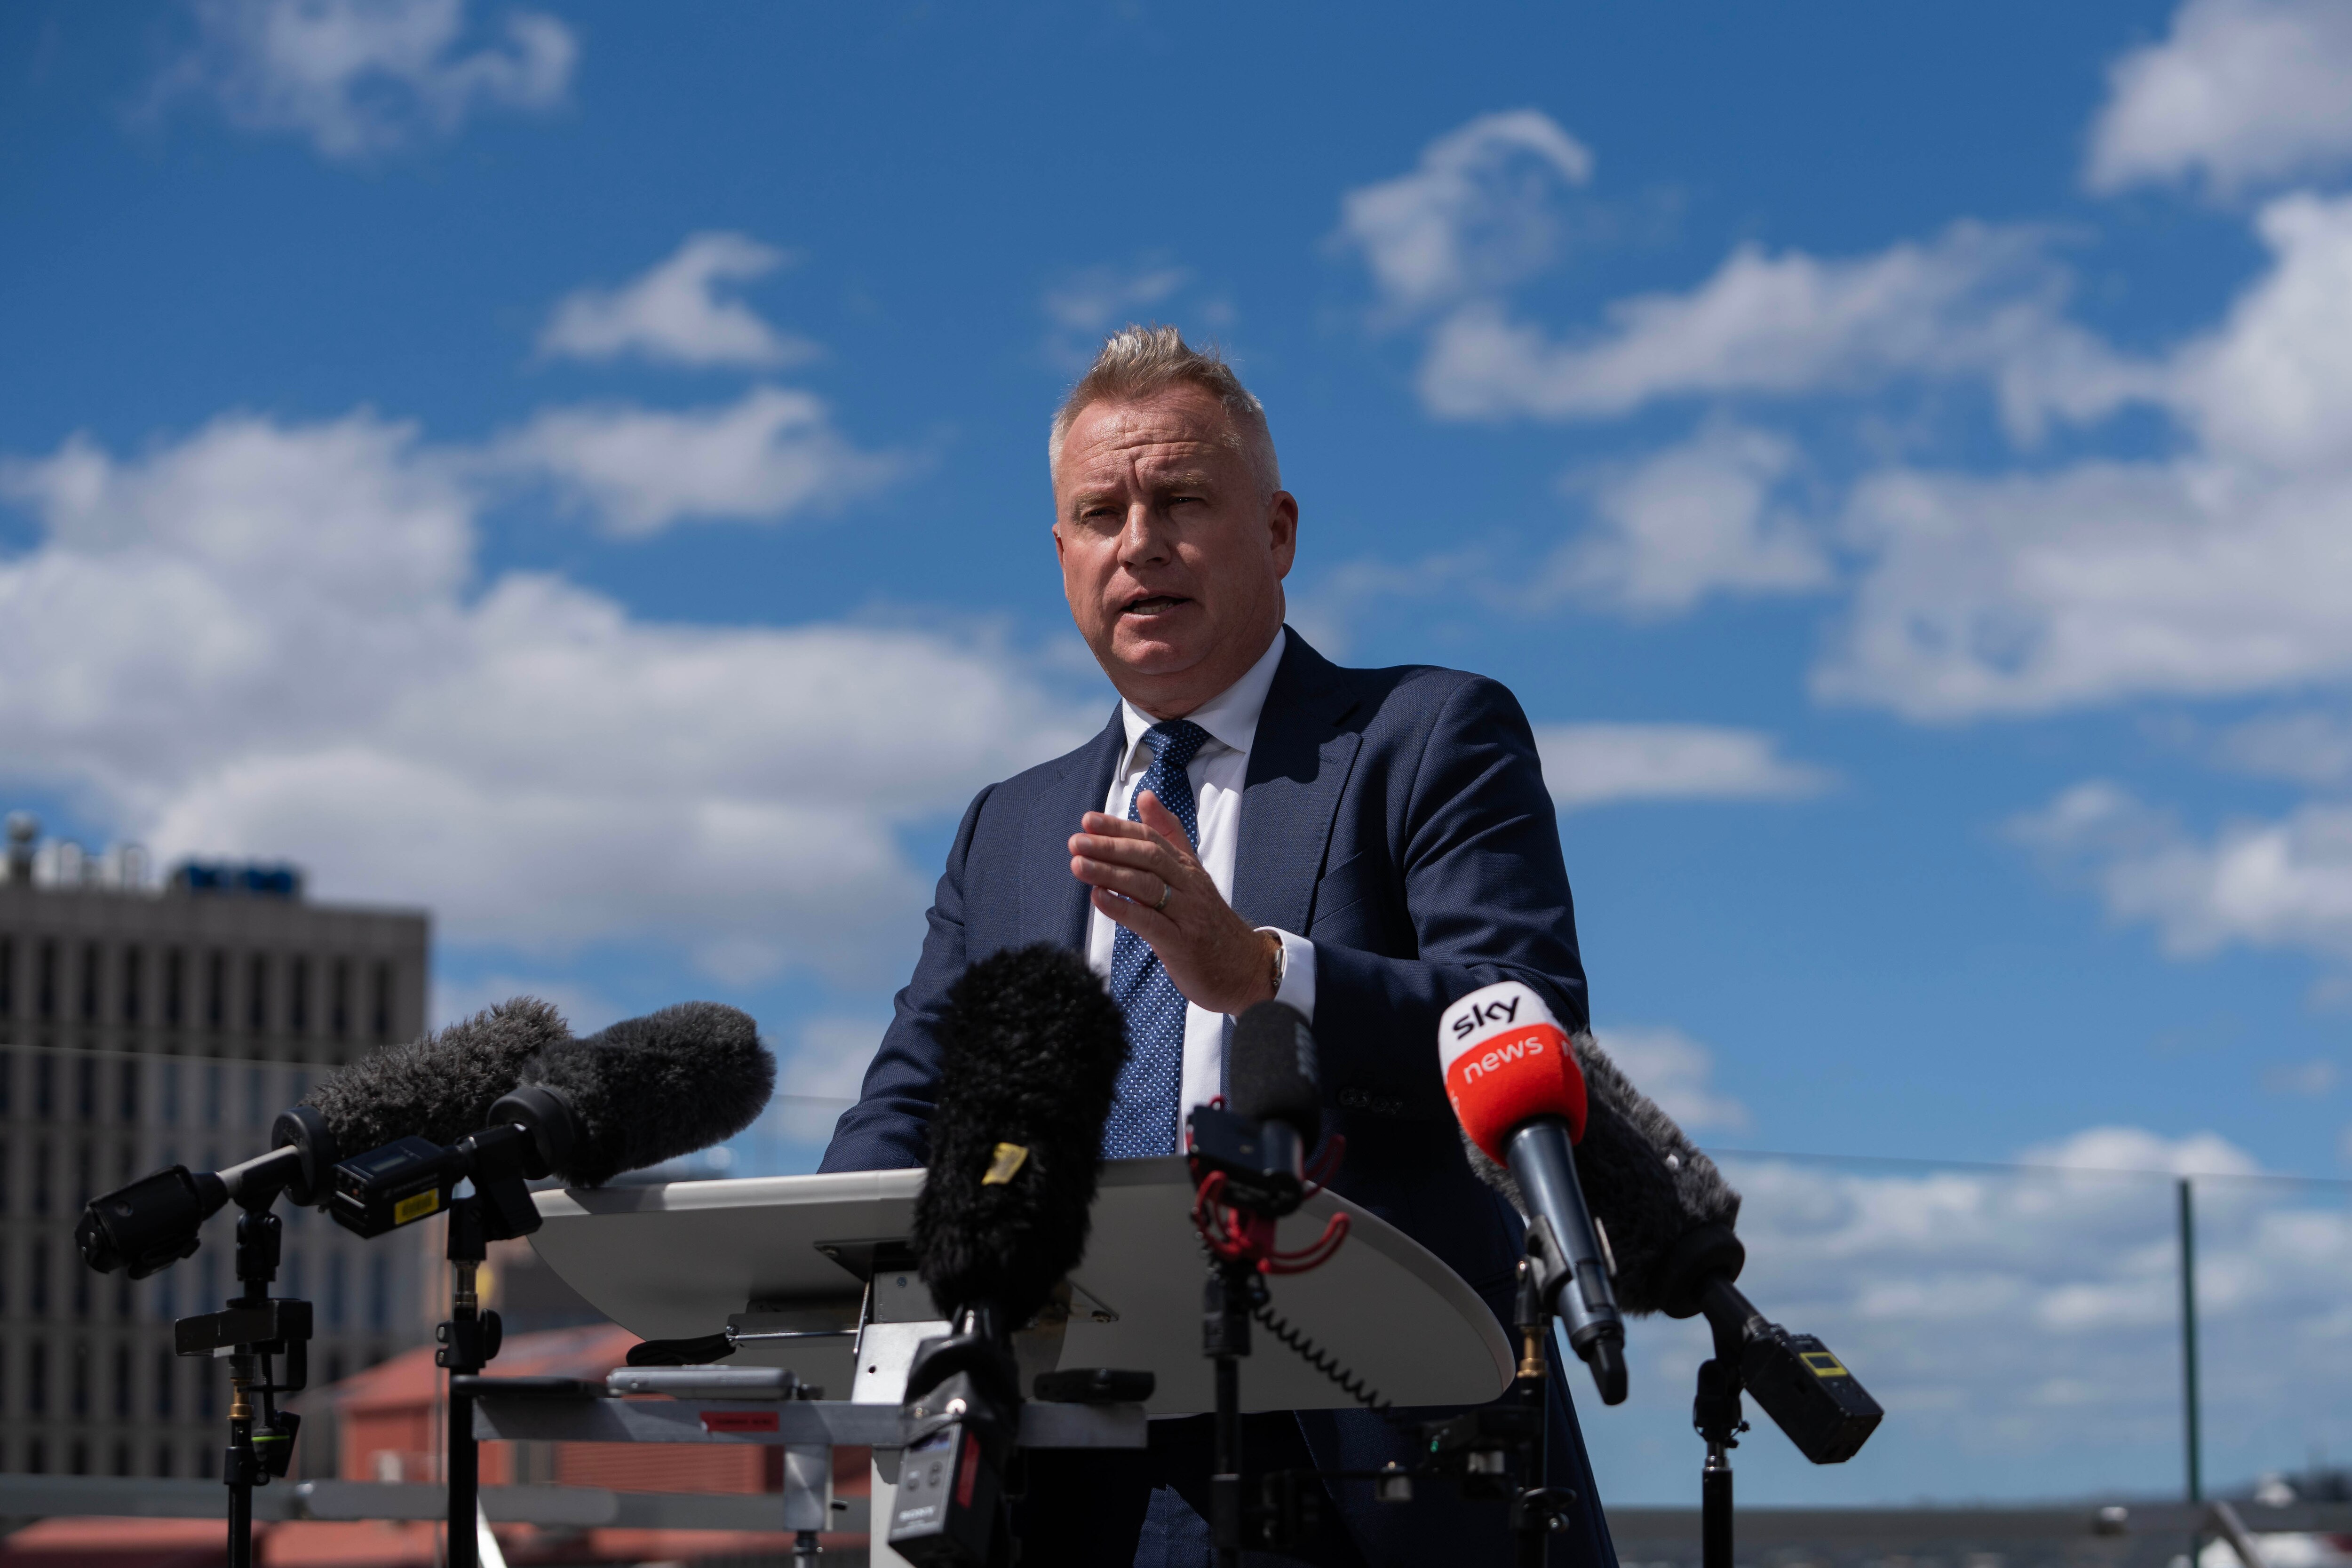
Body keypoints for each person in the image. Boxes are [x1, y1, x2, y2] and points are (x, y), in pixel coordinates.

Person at [821, 326, 1618, 1568]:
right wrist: (818, 1263)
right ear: (1063, 554)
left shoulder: (1424, 736)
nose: (1139, 542)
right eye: (1100, 513)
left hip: (1362, 1460)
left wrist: (1261, 976)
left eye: (1182, 500)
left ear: (1279, 532)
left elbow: (1525, 1024)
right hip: (1060, 1478)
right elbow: (916, 1091)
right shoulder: (1013, 827)